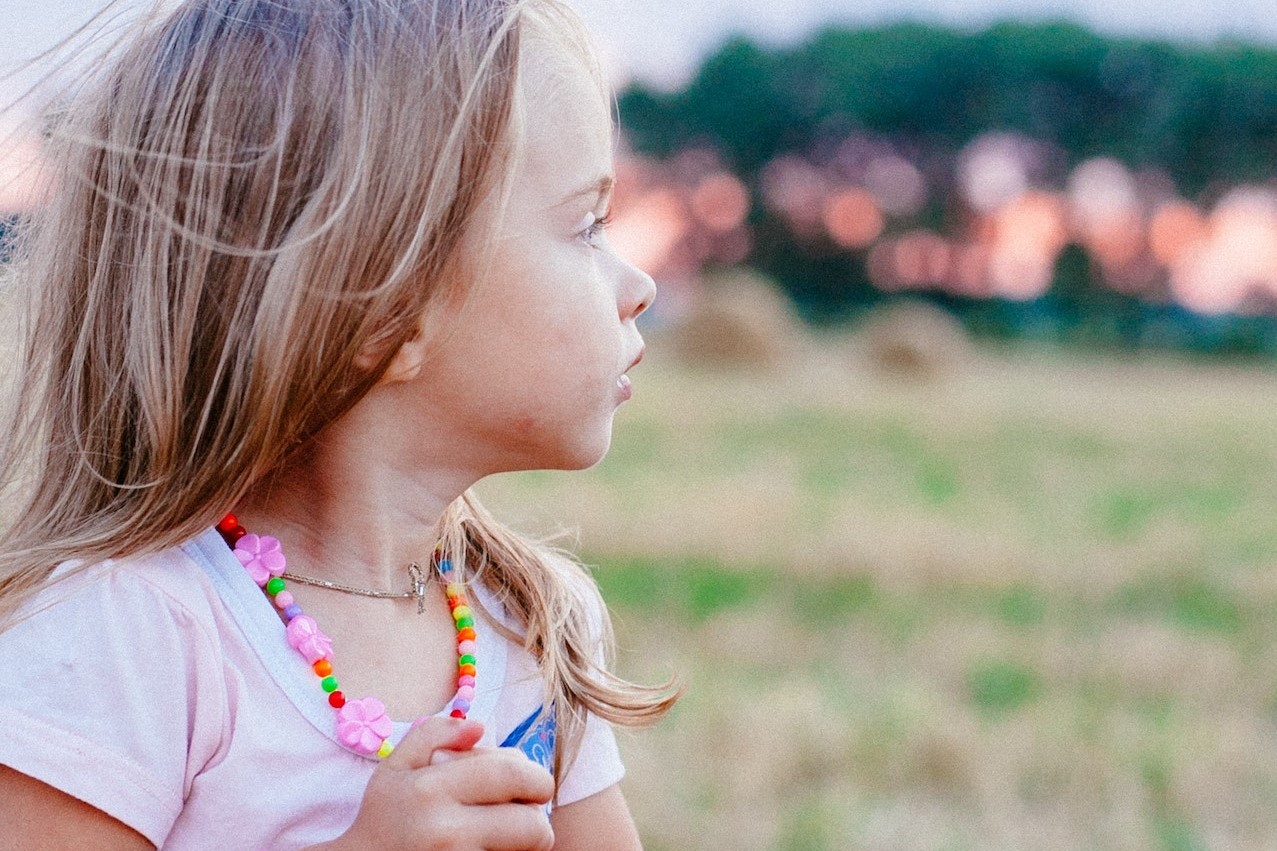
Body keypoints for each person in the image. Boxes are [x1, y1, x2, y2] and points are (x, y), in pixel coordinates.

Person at [0, 0, 678, 847]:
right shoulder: (123, 635)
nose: (637, 284)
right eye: (585, 225)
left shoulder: (533, 621)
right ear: (382, 312)